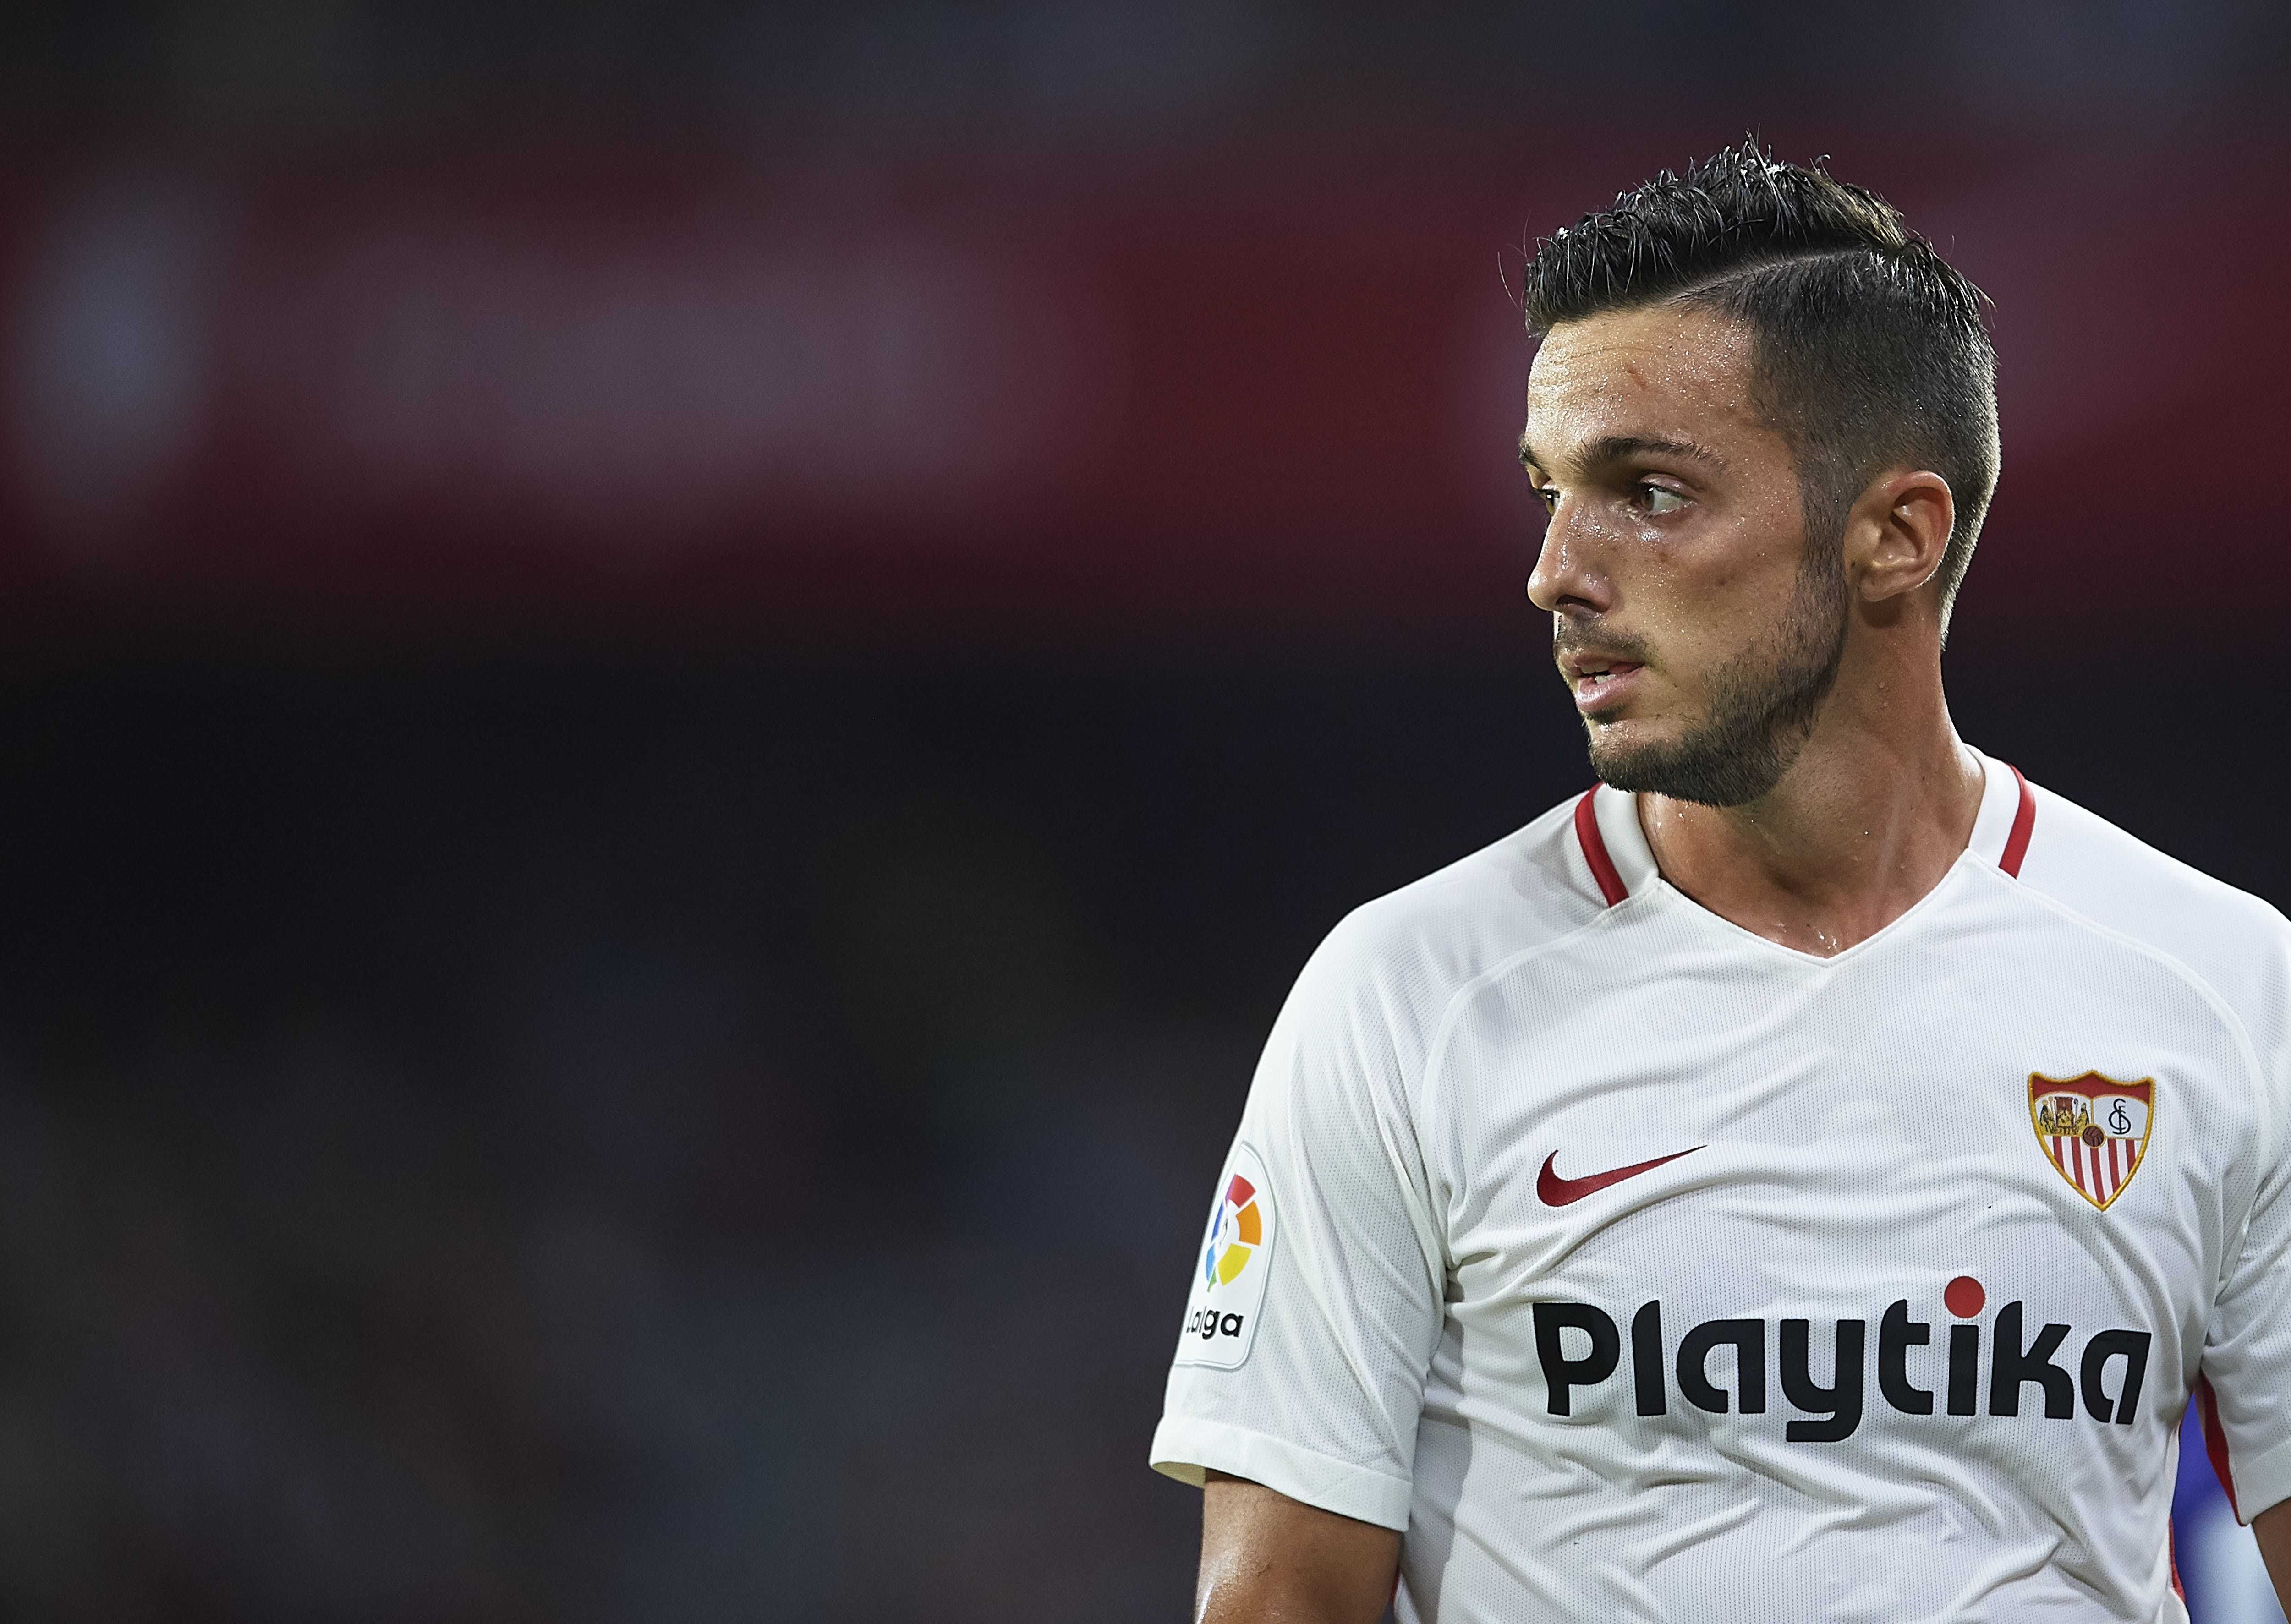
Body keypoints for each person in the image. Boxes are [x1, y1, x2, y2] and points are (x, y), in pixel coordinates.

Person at [1147, 143, 2291, 1622]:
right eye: (1551, 491)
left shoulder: (2227, 986)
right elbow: (1277, 1603)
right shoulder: (1405, 995)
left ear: (1898, 534)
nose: (1556, 568)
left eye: (1647, 489)